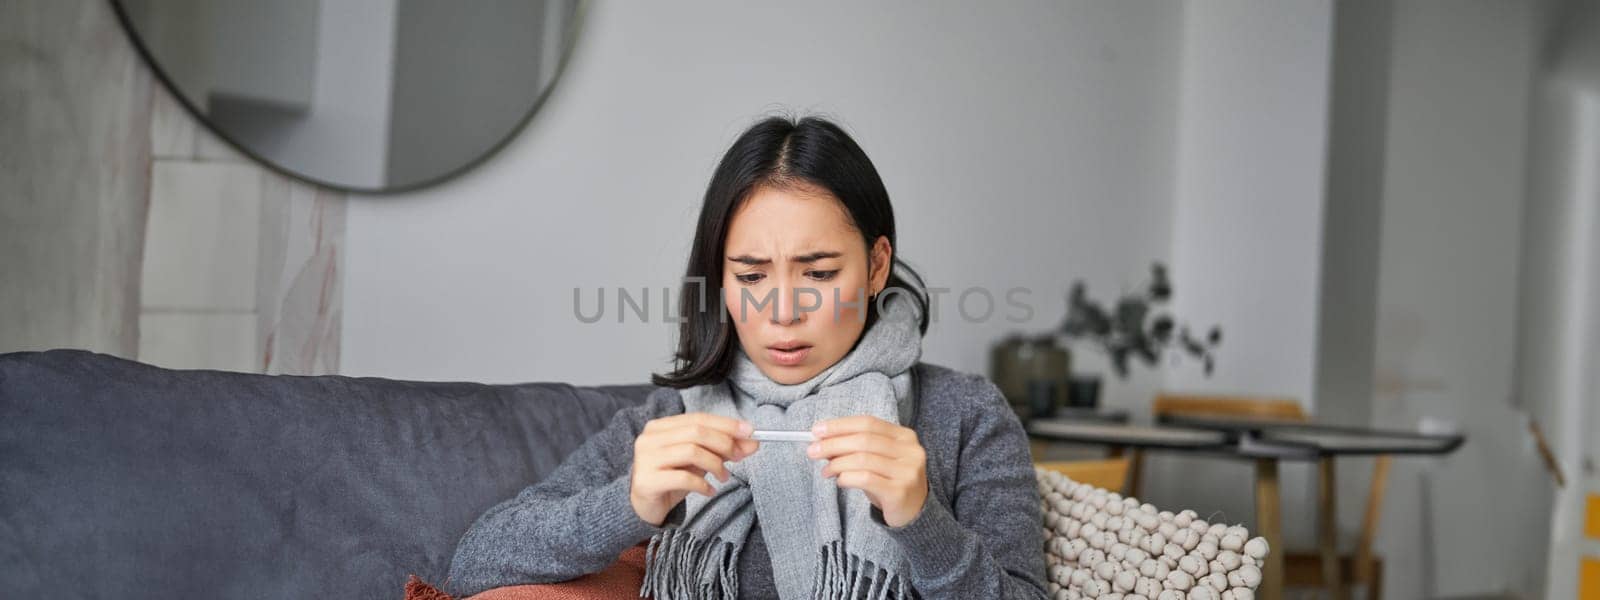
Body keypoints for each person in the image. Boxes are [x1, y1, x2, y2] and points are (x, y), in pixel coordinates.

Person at [444, 115, 1047, 599]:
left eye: (819, 271)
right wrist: (629, 505)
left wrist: (921, 520)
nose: (782, 310)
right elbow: (474, 562)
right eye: (752, 275)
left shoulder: (963, 414)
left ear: (876, 267)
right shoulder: (673, 420)